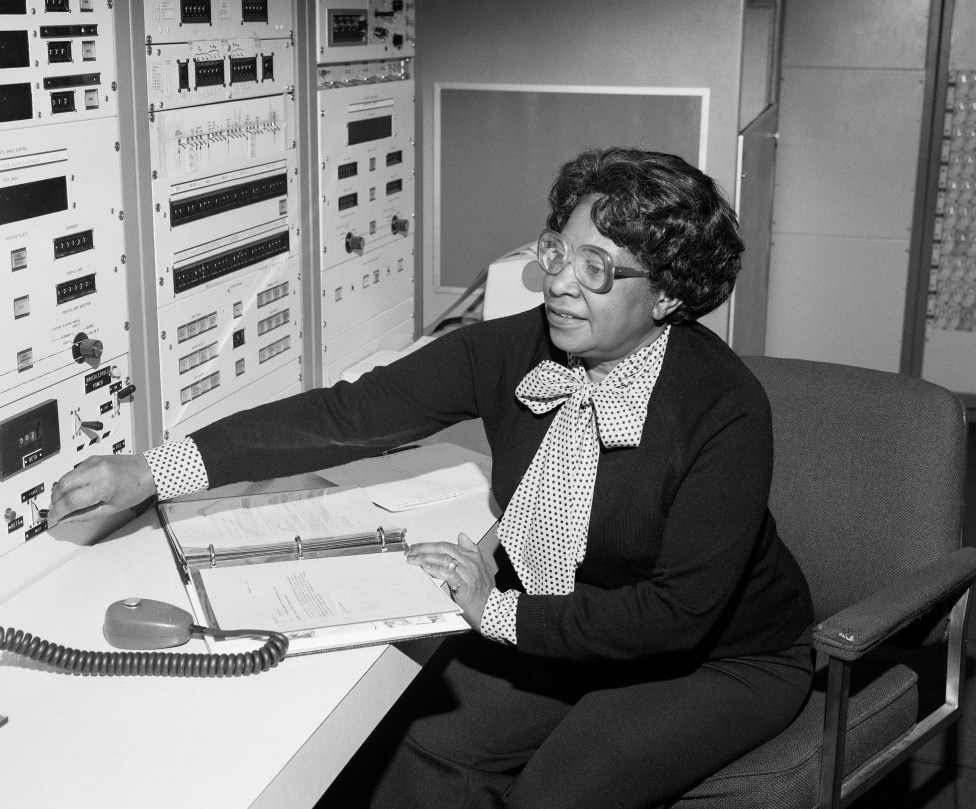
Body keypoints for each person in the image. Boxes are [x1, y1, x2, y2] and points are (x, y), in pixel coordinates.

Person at [49, 147, 814, 808]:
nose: (558, 283)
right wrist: (152, 469)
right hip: (567, 617)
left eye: (597, 268)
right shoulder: (517, 349)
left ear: (669, 294)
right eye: (558, 250)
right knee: (422, 746)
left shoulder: (725, 410)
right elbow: (349, 414)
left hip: (715, 658)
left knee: (556, 794)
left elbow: (676, 613)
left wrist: (497, 610)